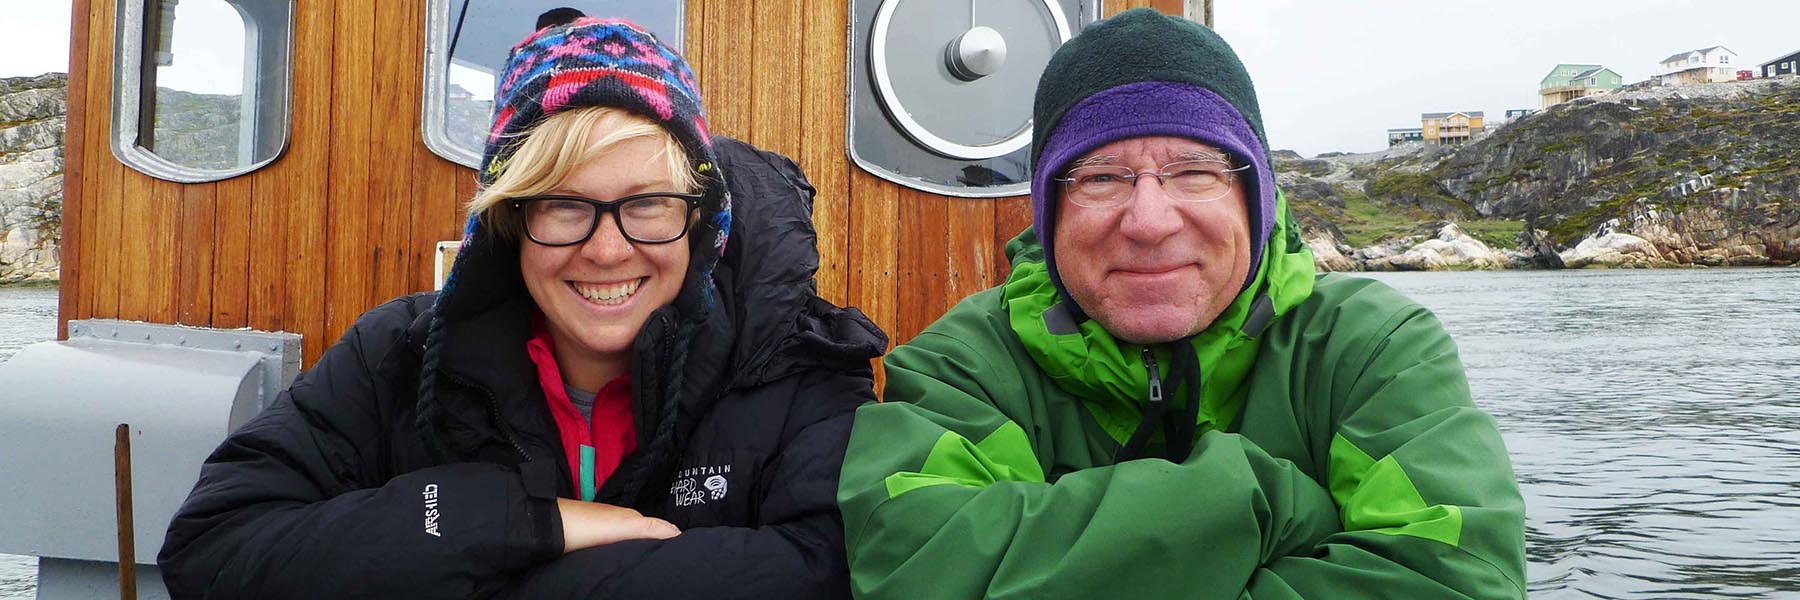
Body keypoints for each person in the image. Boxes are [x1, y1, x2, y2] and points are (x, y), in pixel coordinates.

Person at [159, 17, 884, 599]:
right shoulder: (396, 356)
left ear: (701, 220)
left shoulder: (797, 363)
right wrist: (518, 524)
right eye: (565, 205)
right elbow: (215, 550)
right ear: (507, 221)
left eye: (648, 204)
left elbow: (830, 570)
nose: (607, 250)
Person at [837, 9, 1526, 599]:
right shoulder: (959, 371)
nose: (1148, 219)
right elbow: (919, 568)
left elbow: (1455, 577)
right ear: (1050, 214)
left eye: (1195, 171)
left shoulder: (1371, 348)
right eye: (1101, 177)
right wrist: (1263, 501)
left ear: (1252, 203)